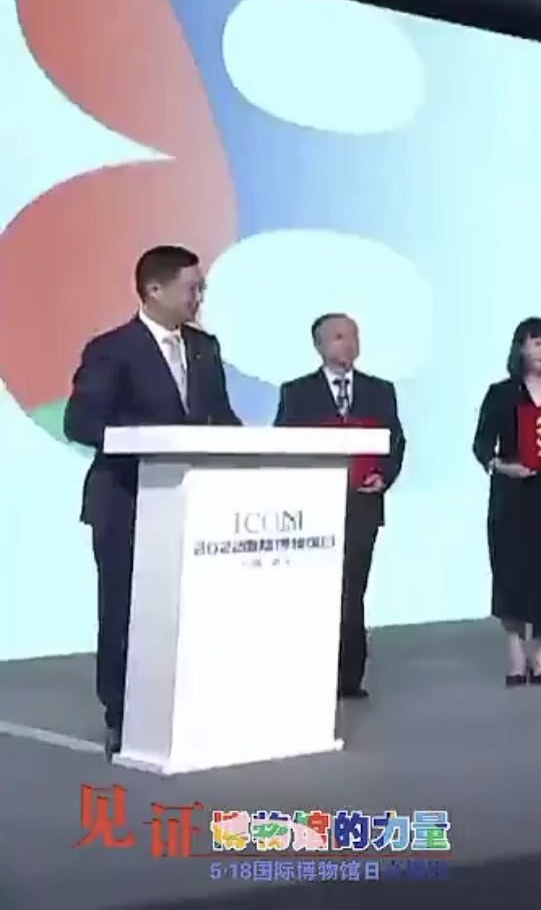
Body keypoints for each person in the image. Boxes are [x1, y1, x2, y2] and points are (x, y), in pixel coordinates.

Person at [63, 245, 242, 757]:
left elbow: (220, 417)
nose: (199, 297)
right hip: (126, 501)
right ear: (154, 290)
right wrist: (153, 439)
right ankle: (122, 714)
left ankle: (188, 708)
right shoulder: (112, 349)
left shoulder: (204, 348)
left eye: (201, 287)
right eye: (192, 288)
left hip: (193, 502)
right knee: (125, 609)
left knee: (191, 611)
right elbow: (82, 422)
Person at [273, 313, 405, 699]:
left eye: (353, 336)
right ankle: (313, 669)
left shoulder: (380, 390)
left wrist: (384, 476)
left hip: (363, 504)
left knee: (353, 589)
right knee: (317, 589)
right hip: (315, 506)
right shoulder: (297, 392)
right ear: (319, 346)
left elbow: (396, 440)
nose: (348, 344)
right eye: (338, 337)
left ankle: (349, 675)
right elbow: (284, 443)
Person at [472, 318, 541, 686]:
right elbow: (482, 444)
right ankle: (516, 654)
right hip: (513, 495)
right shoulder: (501, 394)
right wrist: (503, 466)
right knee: (511, 572)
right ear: (520, 348)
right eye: (537, 343)